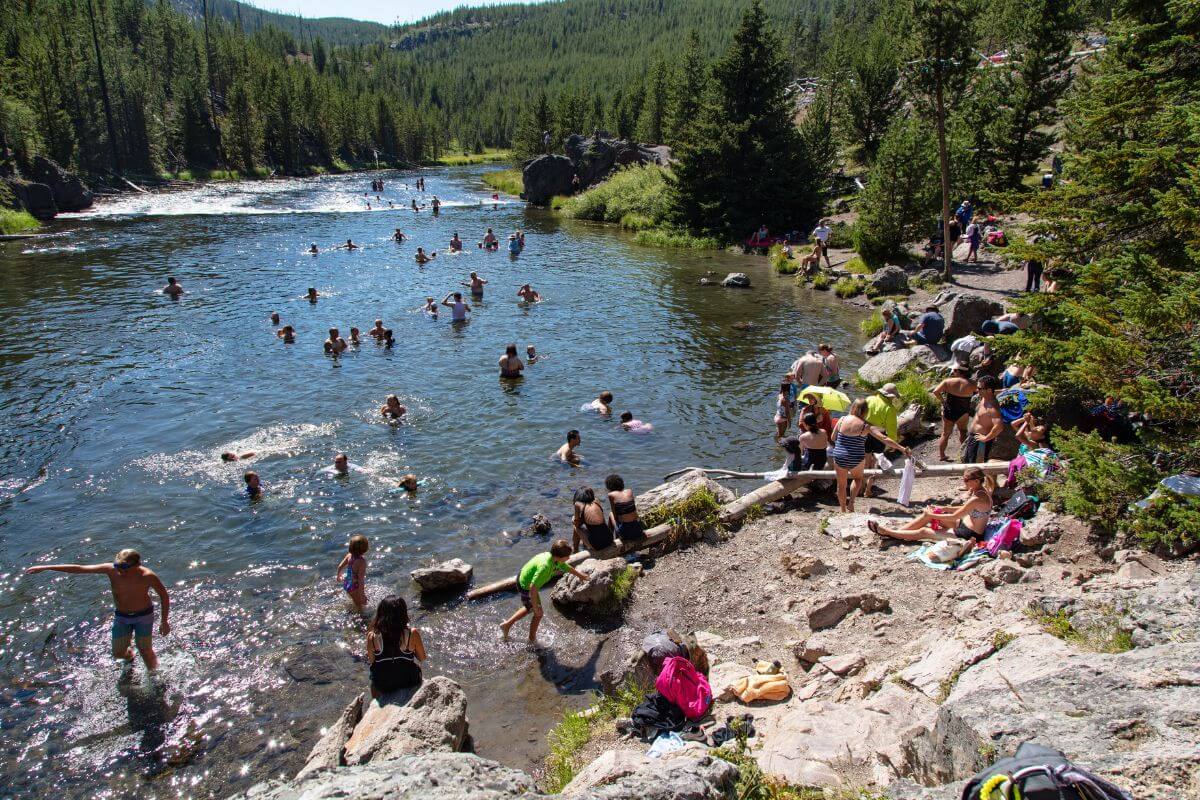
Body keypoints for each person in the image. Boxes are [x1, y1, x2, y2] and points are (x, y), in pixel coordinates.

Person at [24, 549, 170, 670]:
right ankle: (130, 656)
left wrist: (164, 621)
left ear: (137, 565)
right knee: (118, 653)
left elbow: (164, 596)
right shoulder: (111, 570)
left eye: (124, 568)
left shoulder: (148, 576)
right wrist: (46, 567)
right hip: (122, 617)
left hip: (143, 616)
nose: (120, 572)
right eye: (118, 567)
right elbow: (79, 569)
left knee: (145, 650)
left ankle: (154, 677)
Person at [868, 467, 995, 542]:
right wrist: (943, 508)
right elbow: (964, 509)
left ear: (977, 481)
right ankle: (896, 533)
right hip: (963, 525)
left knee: (924, 531)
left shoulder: (978, 497)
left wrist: (935, 514)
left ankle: (887, 532)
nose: (964, 482)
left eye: (966, 480)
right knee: (928, 516)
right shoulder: (978, 490)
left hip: (969, 535)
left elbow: (954, 516)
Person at [500, 539, 589, 644]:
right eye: (567, 556)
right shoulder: (545, 567)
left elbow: (565, 567)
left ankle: (507, 625)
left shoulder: (553, 559)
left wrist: (581, 576)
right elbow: (533, 588)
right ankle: (531, 640)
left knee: (530, 608)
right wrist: (536, 608)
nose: (569, 558)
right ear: (560, 557)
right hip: (526, 586)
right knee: (538, 614)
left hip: (525, 578)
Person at [829, 398, 910, 512]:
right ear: (865, 411)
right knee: (857, 479)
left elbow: (833, 438)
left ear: (853, 407)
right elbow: (884, 438)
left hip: (839, 456)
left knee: (841, 485)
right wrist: (901, 448)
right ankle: (851, 503)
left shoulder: (842, 419)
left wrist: (843, 444)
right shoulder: (866, 426)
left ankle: (842, 510)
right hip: (855, 458)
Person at [365, 595, 425, 697]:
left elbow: (371, 660)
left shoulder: (372, 636)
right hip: (408, 681)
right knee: (418, 667)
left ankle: (376, 701)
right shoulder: (412, 633)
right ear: (403, 613)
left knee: (374, 674)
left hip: (383, 685)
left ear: (380, 613)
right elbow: (422, 657)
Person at [863, 383, 905, 496]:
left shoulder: (869, 399)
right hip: (879, 436)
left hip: (865, 432)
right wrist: (892, 444)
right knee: (876, 461)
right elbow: (891, 429)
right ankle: (867, 490)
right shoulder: (889, 408)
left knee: (865, 461)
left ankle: (860, 485)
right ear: (891, 396)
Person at [932, 368, 976, 461]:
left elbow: (935, 392)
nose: (953, 372)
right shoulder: (972, 383)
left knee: (945, 434)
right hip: (963, 411)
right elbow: (981, 392)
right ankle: (965, 454)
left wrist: (943, 401)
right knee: (963, 431)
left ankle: (942, 455)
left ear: (959, 371)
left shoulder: (948, 381)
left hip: (949, 410)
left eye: (955, 370)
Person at [964, 375, 1003, 462]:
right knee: (969, 463)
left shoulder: (992, 407)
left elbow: (999, 427)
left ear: (988, 390)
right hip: (974, 437)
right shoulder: (985, 397)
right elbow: (995, 391)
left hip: (980, 441)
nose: (977, 390)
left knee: (976, 468)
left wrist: (986, 438)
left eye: (980, 388)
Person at [605, 474, 645, 544]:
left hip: (626, 533)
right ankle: (614, 537)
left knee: (611, 514)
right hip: (638, 529)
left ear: (609, 487)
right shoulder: (629, 491)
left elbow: (615, 516)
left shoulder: (611, 495)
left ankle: (610, 539)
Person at [572, 487, 614, 552]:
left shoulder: (578, 504)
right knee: (593, 527)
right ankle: (584, 544)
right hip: (610, 539)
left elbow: (577, 525)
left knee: (575, 527)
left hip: (597, 545)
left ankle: (575, 550)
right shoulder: (596, 501)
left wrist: (573, 520)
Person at [336, 535, 369, 613]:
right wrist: (362, 595)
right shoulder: (361, 562)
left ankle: (353, 601)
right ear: (365, 549)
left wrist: (338, 576)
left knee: (353, 598)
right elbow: (360, 580)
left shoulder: (349, 555)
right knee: (359, 606)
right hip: (355, 586)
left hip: (347, 583)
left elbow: (340, 566)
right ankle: (360, 616)